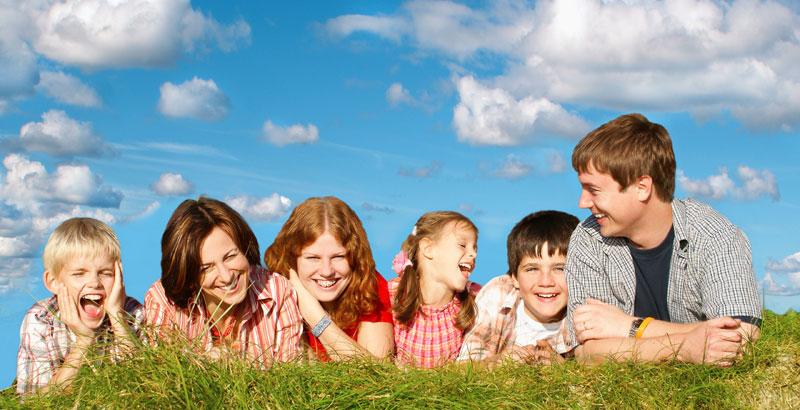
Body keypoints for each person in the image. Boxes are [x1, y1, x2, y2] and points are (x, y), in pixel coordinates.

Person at [566, 113, 761, 365]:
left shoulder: (715, 235)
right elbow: (587, 354)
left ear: (642, 187)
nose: (583, 203)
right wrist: (685, 348)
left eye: (593, 190)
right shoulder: (588, 238)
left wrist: (632, 327)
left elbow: (740, 338)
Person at [145, 197, 302, 366]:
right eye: (206, 268)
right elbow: (163, 381)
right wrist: (204, 365)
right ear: (189, 274)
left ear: (244, 248)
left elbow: (291, 377)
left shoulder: (277, 291)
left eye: (231, 256)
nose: (226, 277)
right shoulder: (163, 302)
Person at [17, 217, 144, 394]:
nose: (94, 282)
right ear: (53, 282)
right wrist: (84, 340)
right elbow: (33, 403)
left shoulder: (133, 313)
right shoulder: (40, 319)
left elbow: (144, 389)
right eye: (79, 274)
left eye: (105, 273)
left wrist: (117, 318)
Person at [264, 196, 393, 361]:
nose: (326, 271)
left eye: (338, 257)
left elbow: (377, 373)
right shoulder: (274, 292)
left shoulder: (368, 282)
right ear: (292, 260)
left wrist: (315, 316)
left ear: (355, 258)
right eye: (313, 258)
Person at [458, 211, 578, 366]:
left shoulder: (584, 309)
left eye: (560, 269)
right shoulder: (498, 296)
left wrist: (564, 371)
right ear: (514, 277)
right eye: (532, 269)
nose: (546, 281)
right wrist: (497, 364)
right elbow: (464, 367)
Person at [389, 211, 482, 368]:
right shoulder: (394, 293)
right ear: (428, 249)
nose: (473, 254)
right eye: (462, 245)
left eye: (475, 248)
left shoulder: (473, 299)